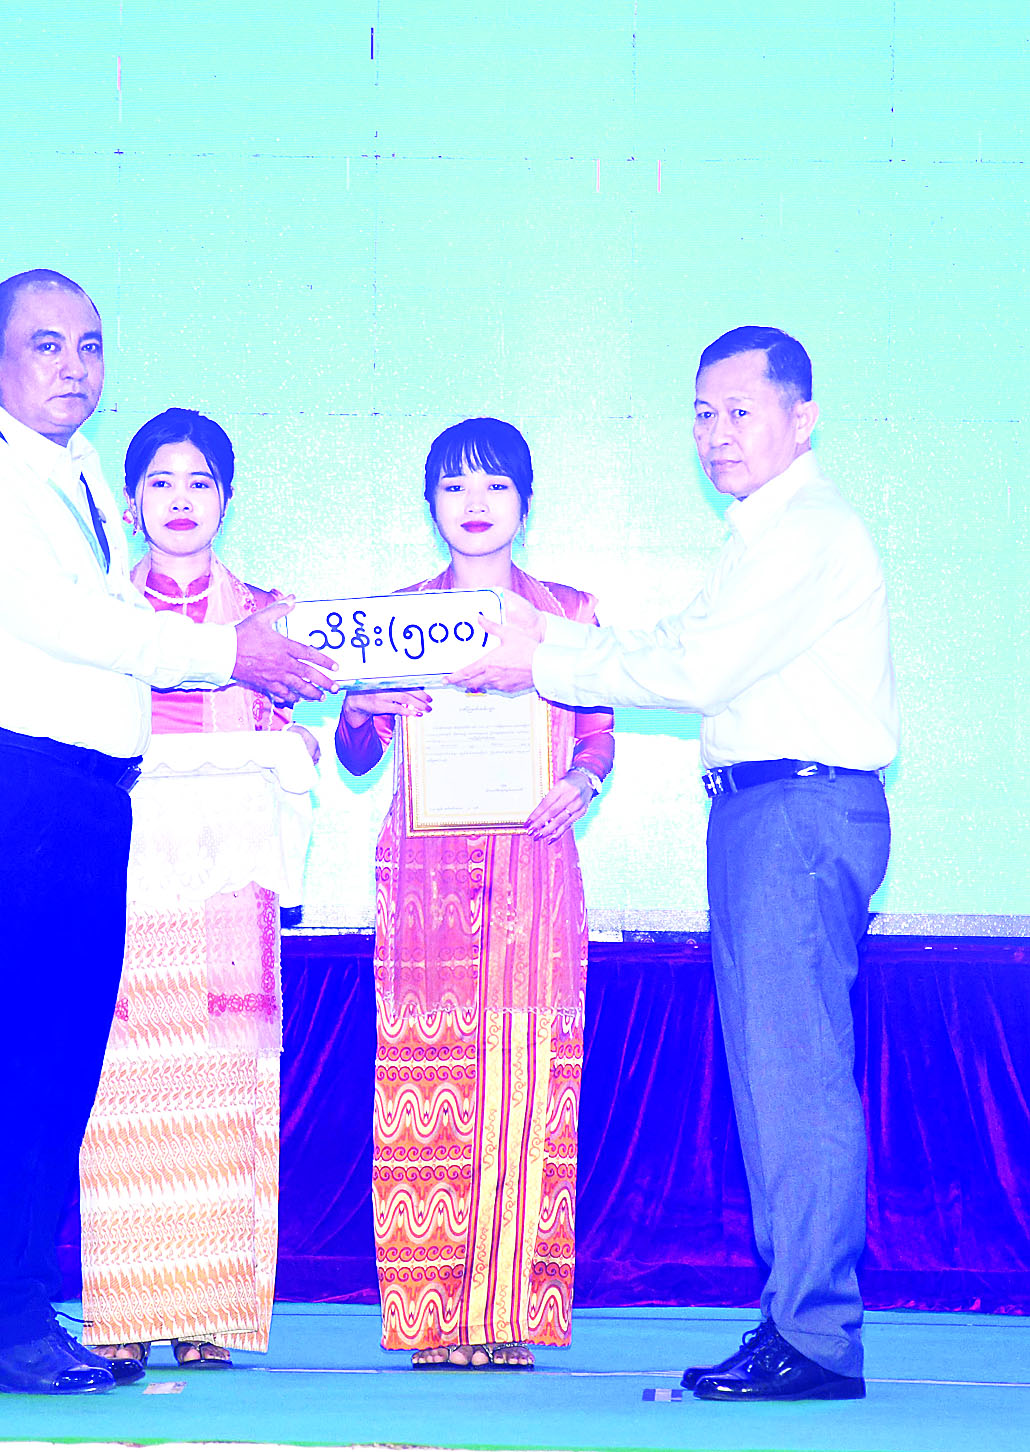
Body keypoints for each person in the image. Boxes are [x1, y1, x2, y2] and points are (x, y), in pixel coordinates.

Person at [0, 271, 333, 1396]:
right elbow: (71, 624)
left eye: (89, 346)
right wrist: (234, 652)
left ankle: (16, 1307)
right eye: (45, 345)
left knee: (57, 1064)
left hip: (84, 796)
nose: (73, 367)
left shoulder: (82, 471)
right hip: (11, 789)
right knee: (13, 1059)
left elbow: (110, 615)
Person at [452, 328, 898, 1401]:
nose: (717, 434)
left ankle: (816, 1336)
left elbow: (694, 667)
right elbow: (678, 641)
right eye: (703, 413)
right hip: (766, 812)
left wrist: (539, 655)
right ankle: (794, 1320)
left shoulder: (809, 531)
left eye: (742, 411)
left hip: (796, 811)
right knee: (774, 1076)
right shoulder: (761, 535)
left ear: (802, 418)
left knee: (794, 1076)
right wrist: (550, 641)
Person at [335, 418, 615, 1370]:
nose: (475, 503)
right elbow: (357, 754)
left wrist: (583, 781)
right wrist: (361, 709)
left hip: (535, 869)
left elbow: (596, 735)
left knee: (529, 1084)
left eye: (495, 485)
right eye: (454, 486)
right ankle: (430, 1320)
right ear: (430, 504)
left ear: (525, 503)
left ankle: (508, 1317)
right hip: (425, 881)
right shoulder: (394, 616)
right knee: (428, 1081)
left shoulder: (566, 613)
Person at [79, 409, 318, 1369]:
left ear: (226, 498)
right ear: (132, 501)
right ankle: (125, 1316)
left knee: (228, 1087)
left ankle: (213, 1313)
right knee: (121, 1093)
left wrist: (310, 737)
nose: (181, 501)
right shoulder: (99, 613)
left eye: (200, 483)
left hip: (232, 879)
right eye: (161, 483)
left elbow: (307, 731)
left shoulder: (271, 615)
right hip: (125, 875)